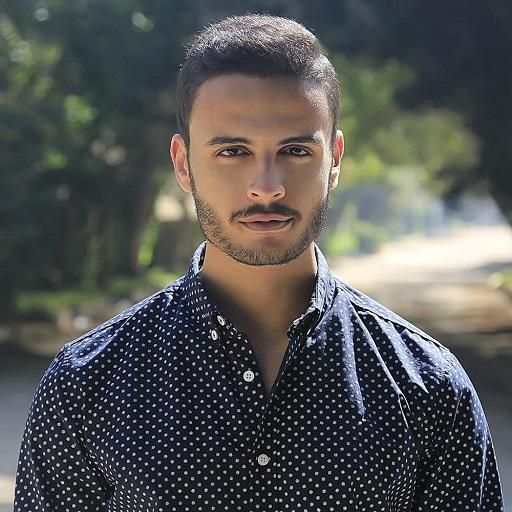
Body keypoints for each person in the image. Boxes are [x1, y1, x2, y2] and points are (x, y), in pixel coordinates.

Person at [14, 13, 504, 512]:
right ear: (183, 164)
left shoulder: (430, 386)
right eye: (232, 151)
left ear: (334, 159)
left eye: (295, 150)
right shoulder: (86, 384)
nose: (266, 187)